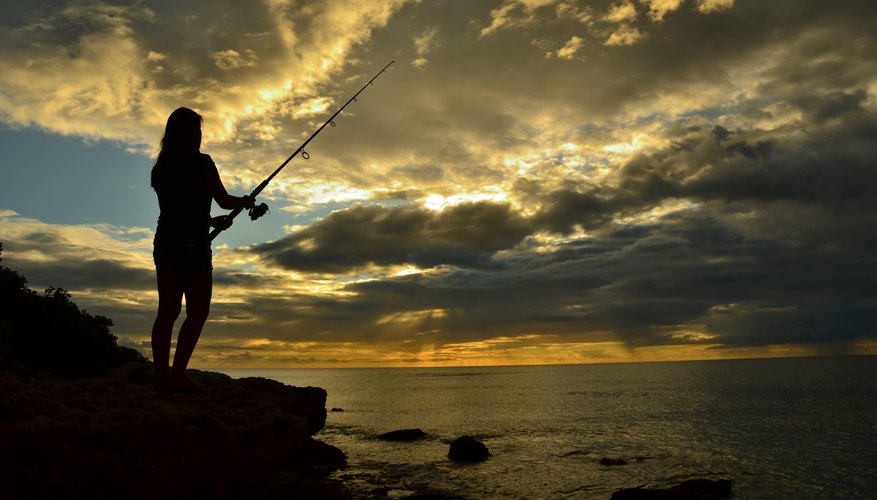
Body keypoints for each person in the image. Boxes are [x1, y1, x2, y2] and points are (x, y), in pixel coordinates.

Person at [150, 107, 254, 391]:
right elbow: (222, 200)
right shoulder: (202, 162)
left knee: (167, 312)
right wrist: (244, 200)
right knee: (197, 313)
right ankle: (178, 375)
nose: (200, 135)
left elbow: (176, 211)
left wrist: (208, 221)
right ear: (188, 133)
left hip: (167, 244)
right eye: (197, 129)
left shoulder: (160, 168)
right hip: (194, 247)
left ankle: (162, 378)